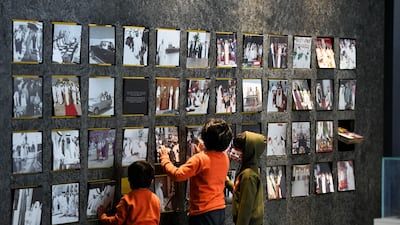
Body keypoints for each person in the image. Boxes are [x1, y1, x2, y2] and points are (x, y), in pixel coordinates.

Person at [160, 118, 233, 225]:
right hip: (219, 209)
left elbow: (177, 175)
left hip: (202, 212)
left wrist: (164, 158)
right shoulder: (224, 157)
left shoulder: (199, 159)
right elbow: (210, 168)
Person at [97, 160, 161, 225]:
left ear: (129, 180)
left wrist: (102, 217)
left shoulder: (127, 199)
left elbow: (117, 221)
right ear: (151, 181)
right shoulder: (156, 199)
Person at [226, 131, 266, 225]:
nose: (234, 152)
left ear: (248, 151)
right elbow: (241, 192)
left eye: (238, 148)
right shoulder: (249, 170)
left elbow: (245, 210)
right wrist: (227, 182)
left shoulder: (248, 176)